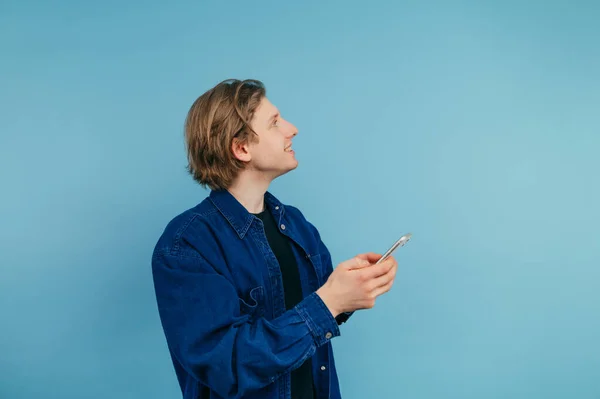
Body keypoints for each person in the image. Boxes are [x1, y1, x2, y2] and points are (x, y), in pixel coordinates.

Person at [151, 79, 399, 399]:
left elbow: (317, 310)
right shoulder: (187, 245)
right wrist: (331, 301)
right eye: (274, 123)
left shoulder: (294, 224)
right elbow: (229, 365)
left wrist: (354, 286)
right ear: (241, 148)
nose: (292, 129)